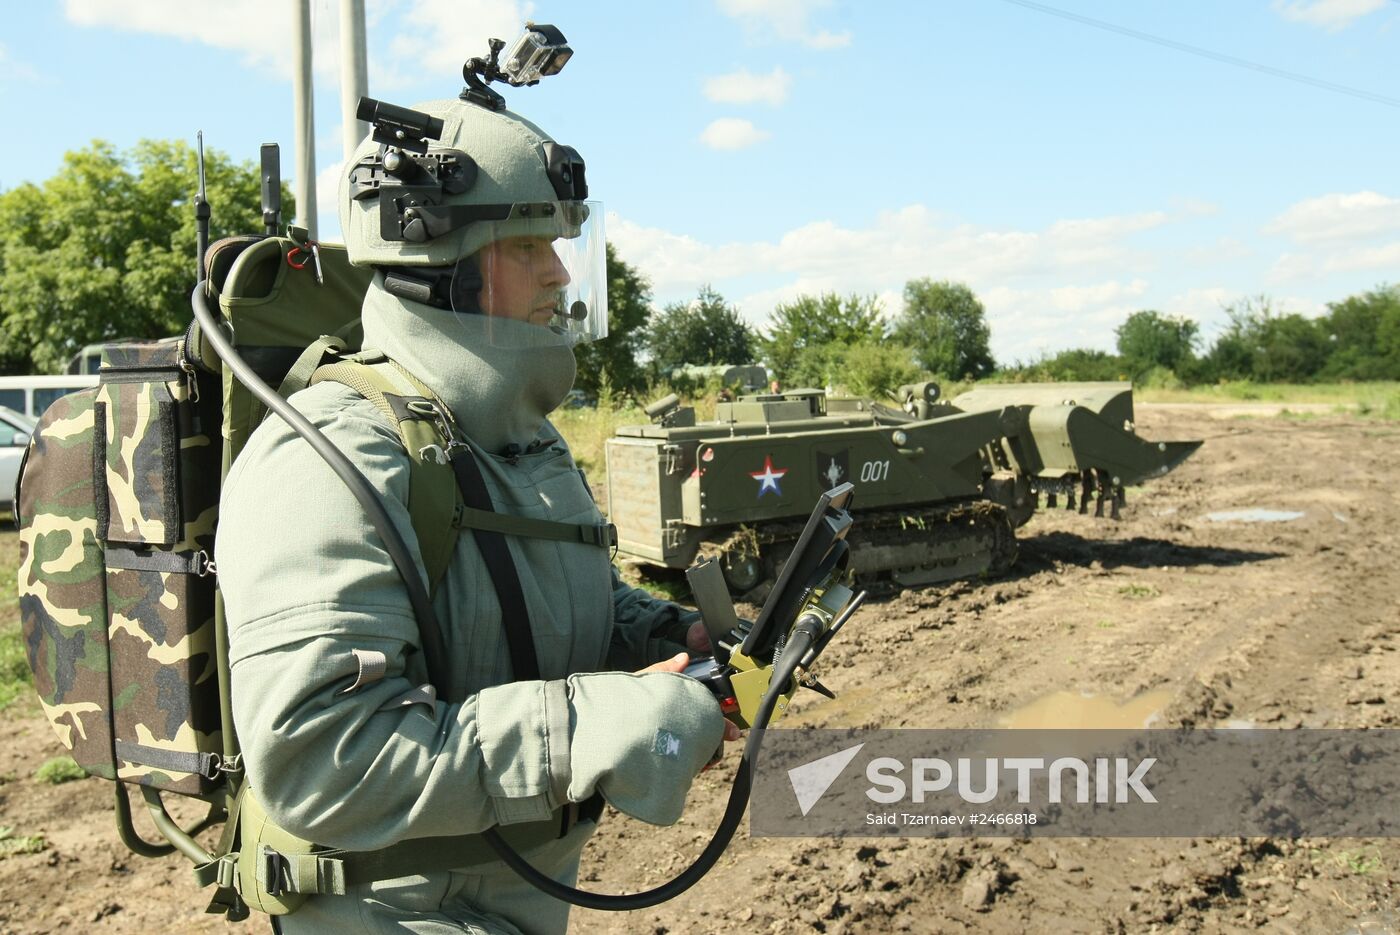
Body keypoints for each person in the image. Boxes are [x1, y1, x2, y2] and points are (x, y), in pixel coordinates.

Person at [216, 96, 737, 934]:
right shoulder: (329, 454)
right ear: (439, 259)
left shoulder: (518, 440)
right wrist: (593, 725)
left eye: (562, 244)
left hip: (510, 906)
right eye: (527, 246)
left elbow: (548, 594)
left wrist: (663, 639)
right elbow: (321, 756)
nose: (561, 275)